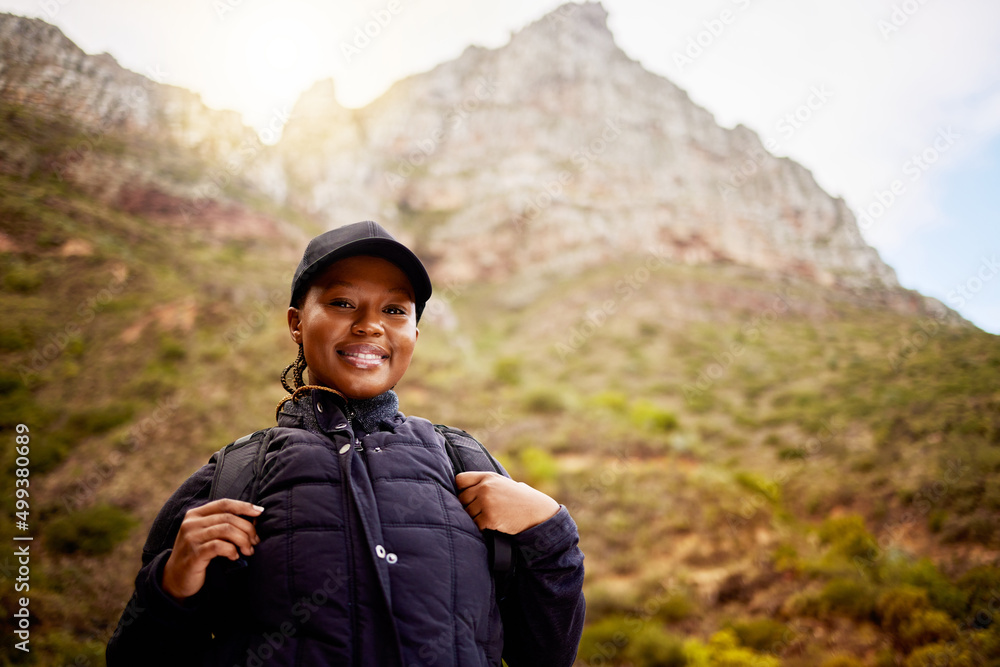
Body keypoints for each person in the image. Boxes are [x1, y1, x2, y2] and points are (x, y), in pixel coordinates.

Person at [107, 220, 586, 666]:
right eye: (341, 303)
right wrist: (171, 588)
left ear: (414, 333)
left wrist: (551, 534)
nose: (370, 325)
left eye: (395, 310)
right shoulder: (232, 480)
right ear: (296, 322)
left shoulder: (466, 466)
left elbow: (543, 656)